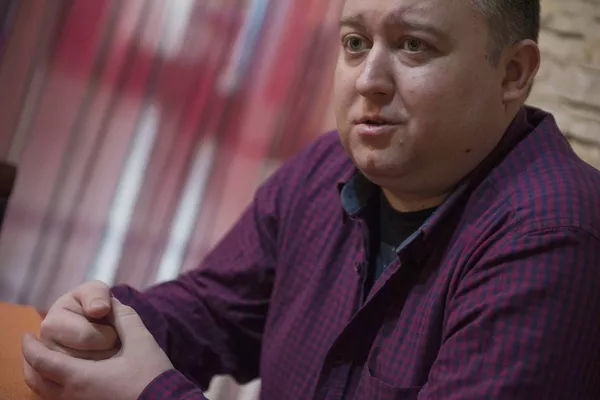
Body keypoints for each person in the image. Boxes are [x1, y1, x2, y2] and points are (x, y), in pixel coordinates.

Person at [21, 0, 600, 399]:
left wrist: (152, 393)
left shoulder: (552, 236)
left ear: (513, 73)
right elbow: (217, 310)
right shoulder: (327, 166)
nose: (368, 79)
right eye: (355, 43)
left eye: (413, 45)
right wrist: (110, 324)